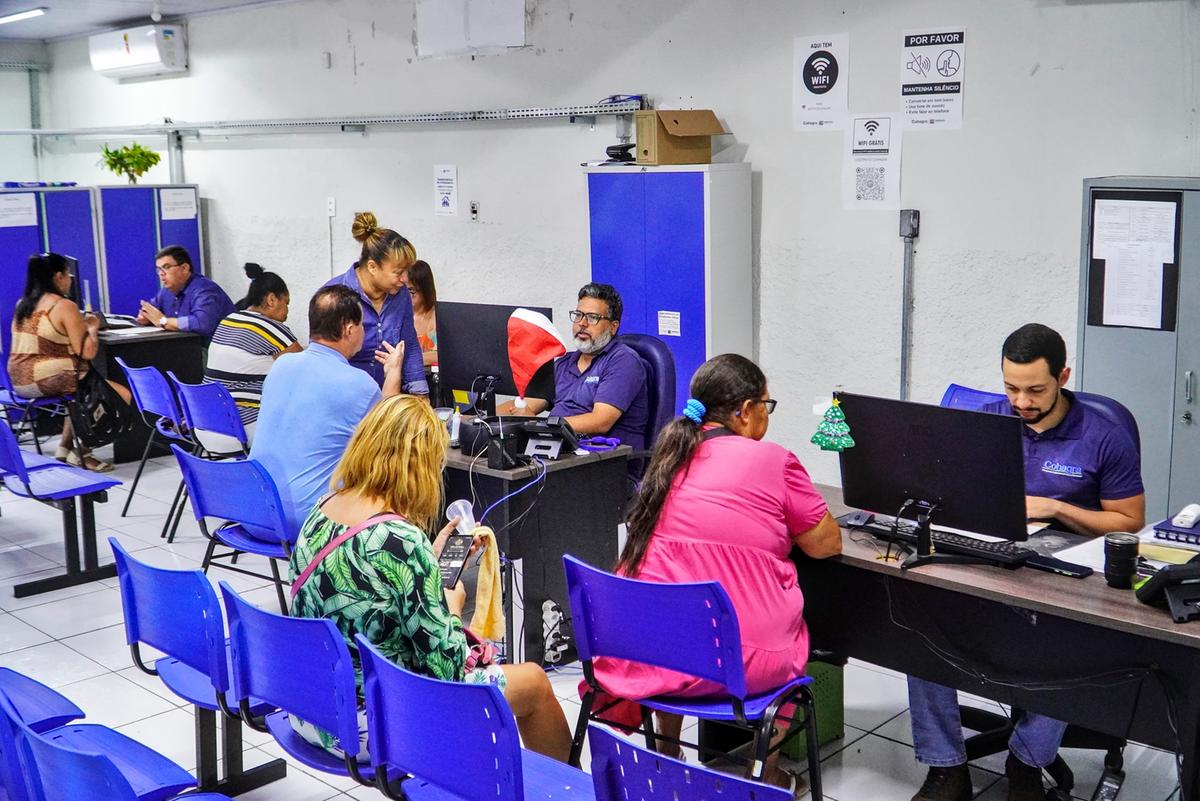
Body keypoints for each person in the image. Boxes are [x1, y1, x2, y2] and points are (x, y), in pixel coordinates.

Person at [907, 322, 1145, 801]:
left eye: (1035, 390)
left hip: (1063, 576)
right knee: (918, 626)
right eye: (1011, 388)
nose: (1021, 402)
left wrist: (1055, 508)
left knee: (1065, 645)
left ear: (1063, 376)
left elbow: (1129, 520)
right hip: (988, 560)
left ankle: (1026, 762)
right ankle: (946, 767)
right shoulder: (988, 423)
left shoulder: (1102, 434)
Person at [590, 353, 842, 790]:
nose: (768, 415)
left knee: (678, 611)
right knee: (790, 624)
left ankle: (667, 751)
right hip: (739, 662)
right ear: (746, 411)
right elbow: (825, 545)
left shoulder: (668, 458)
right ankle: (767, 770)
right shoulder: (775, 461)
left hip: (653, 651)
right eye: (768, 405)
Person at [288, 394, 571, 762]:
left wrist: (428, 563)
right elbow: (448, 669)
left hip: (311, 705)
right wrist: (453, 609)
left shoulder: (324, 507)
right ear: (420, 466)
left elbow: (375, 587)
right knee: (533, 682)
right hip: (368, 722)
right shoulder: (402, 540)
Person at [250, 285, 405, 535]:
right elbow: (388, 436)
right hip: (310, 523)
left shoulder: (281, 366)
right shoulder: (359, 384)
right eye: (363, 326)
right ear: (349, 329)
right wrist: (393, 374)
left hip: (252, 513)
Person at [7, 252, 132, 472]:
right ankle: (82, 451)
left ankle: (64, 449)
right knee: (118, 392)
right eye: (68, 275)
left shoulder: (22, 304)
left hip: (18, 381)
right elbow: (86, 351)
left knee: (78, 387)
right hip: (48, 379)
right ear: (58, 277)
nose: (71, 279)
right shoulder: (63, 306)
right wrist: (91, 326)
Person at [500, 283, 649, 450]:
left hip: (607, 461)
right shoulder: (564, 363)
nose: (582, 323)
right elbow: (524, 405)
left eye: (592, 317)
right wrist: (478, 419)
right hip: (561, 452)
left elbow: (601, 421)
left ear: (613, 327)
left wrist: (540, 424)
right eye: (578, 315)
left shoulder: (623, 361)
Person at [324, 212, 427, 395]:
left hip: (390, 396)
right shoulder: (333, 296)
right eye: (398, 272)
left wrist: (420, 394)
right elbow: (323, 359)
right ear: (372, 267)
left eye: (406, 271)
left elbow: (409, 343)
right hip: (347, 397)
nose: (405, 279)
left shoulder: (401, 294)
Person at [202, 263, 301, 446]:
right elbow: (306, 370)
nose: (287, 312)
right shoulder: (270, 328)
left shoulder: (229, 320)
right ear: (272, 299)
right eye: (286, 303)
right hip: (238, 428)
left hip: (205, 423)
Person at [135, 245, 236, 342]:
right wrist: (145, 317)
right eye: (159, 269)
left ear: (184, 268)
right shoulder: (166, 291)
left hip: (211, 350)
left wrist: (164, 321)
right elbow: (152, 312)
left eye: (166, 267)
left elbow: (202, 323)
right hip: (185, 348)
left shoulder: (204, 289)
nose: (161, 273)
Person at [404, 259, 438, 368]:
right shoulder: (397, 315)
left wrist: (407, 359)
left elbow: (441, 355)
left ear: (425, 290)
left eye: (411, 291)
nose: (405, 296)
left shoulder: (436, 316)